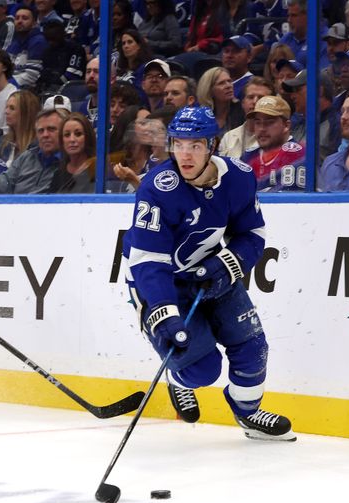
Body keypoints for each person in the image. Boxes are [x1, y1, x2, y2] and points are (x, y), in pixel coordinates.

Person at [122, 105, 295, 441]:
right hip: (162, 284)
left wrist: (227, 264)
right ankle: (178, 379)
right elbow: (148, 260)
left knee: (252, 346)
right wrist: (165, 312)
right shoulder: (157, 188)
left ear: (212, 146)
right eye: (179, 144)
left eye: (196, 145)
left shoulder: (240, 178)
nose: (185, 155)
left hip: (214, 273)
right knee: (202, 369)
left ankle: (248, 413)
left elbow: (252, 235)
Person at [0, 108, 67, 194]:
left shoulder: (70, 163)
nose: (45, 135)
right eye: (41, 131)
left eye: (51, 129)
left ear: (64, 132)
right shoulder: (26, 157)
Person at [242, 95, 306, 192]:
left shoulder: (301, 157)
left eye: (269, 122)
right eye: (258, 122)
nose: (262, 129)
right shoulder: (248, 156)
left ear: (286, 125)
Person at [219, 76, 275, 158]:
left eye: (261, 97)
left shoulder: (277, 137)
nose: (255, 101)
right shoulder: (229, 137)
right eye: (250, 97)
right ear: (243, 103)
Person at [0, 89, 40, 166]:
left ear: (26, 113)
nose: (6, 111)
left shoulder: (37, 147)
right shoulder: (1, 142)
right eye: (6, 107)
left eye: (12, 108)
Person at [51, 112, 95, 193]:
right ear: (62, 140)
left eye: (78, 134)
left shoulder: (97, 171)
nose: (72, 140)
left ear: (88, 137)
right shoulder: (58, 174)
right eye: (67, 135)